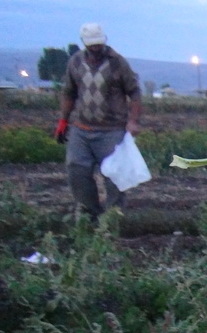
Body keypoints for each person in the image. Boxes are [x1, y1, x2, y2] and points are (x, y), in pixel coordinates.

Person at [54, 23, 142, 220]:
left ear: (104, 41)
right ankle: (89, 215)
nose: (95, 47)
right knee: (76, 169)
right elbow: (68, 92)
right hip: (81, 128)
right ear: (84, 43)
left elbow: (134, 92)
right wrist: (63, 121)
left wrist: (133, 121)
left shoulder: (118, 63)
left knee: (114, 176)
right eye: (91, 44)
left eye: (98, 44)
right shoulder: (75, 62)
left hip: (111, 129)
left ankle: (113, 218)